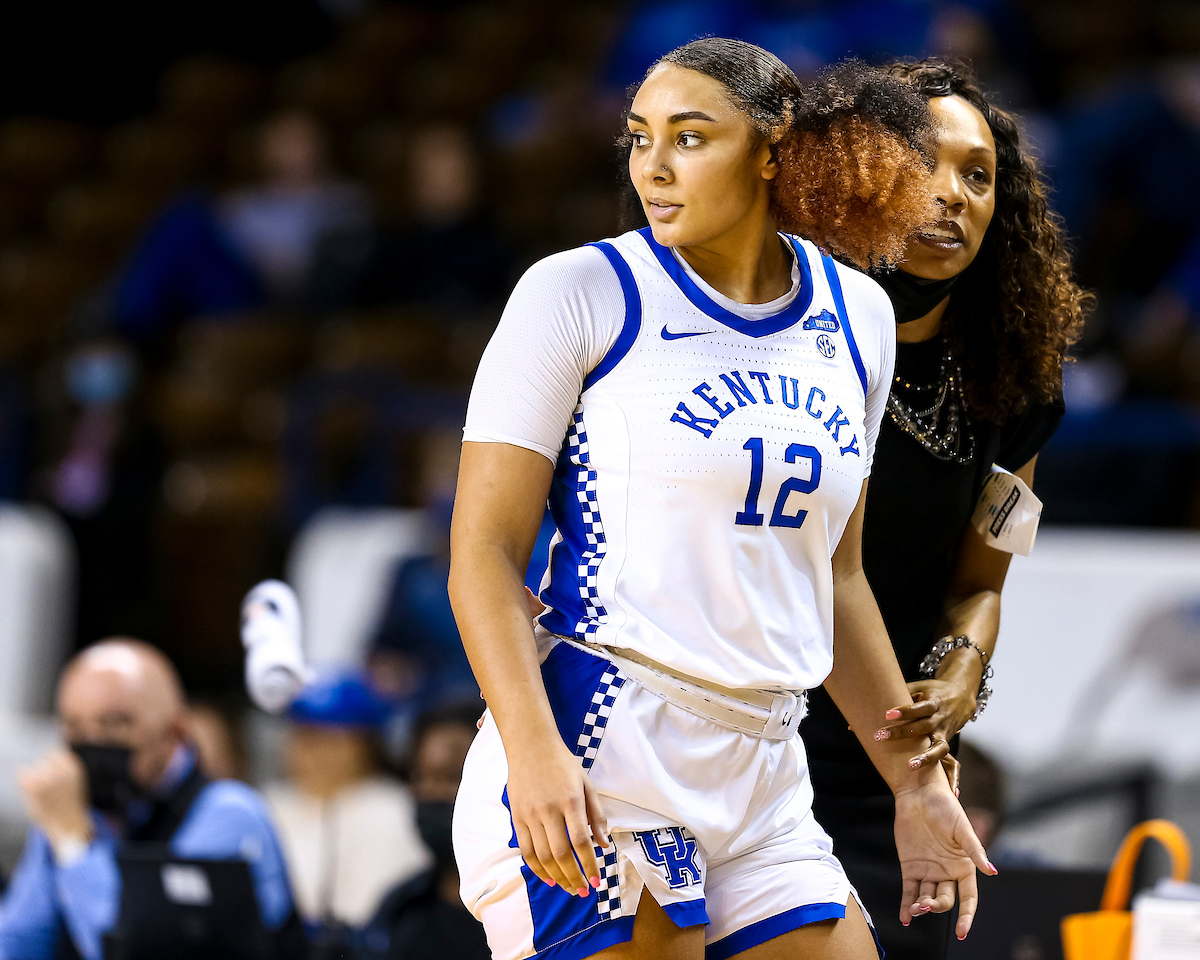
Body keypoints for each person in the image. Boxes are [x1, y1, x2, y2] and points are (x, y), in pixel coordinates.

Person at [449, 38, 994, 960]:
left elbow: (837, 578)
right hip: (604, 744)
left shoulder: (858, 314)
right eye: (640, 138)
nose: (653, 167)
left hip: (766, 766)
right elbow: (483, 556)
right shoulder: (579, 291)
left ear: (776, 151)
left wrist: (917, 782)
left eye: (690, 138)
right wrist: (533, 752)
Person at [802, 58, 1089, 960]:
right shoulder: (782, 341)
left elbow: (983, 581)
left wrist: (963, 667)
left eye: (978, 175)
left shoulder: (1012, 383)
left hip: (897, 762)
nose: (954, 194)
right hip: (753, 739)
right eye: (924, 161)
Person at [0, 638, 297, 960]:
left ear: (175, 731)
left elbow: (130, 948)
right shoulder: (78, 810)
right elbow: (18, 940)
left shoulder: (228, 814)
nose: (93, 742)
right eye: (75, 727)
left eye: (115, 724)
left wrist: (73, 843)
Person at [264, 670, 430, 938]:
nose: (313, 752)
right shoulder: (269, 805)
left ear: (365, 744)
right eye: (304, 736)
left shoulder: (395, 808)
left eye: (330, 739)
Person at [359, 702, 491, 960]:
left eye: (451, 776)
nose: (431, 792)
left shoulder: (534, 910)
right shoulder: (398, 912)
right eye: (421, 777)